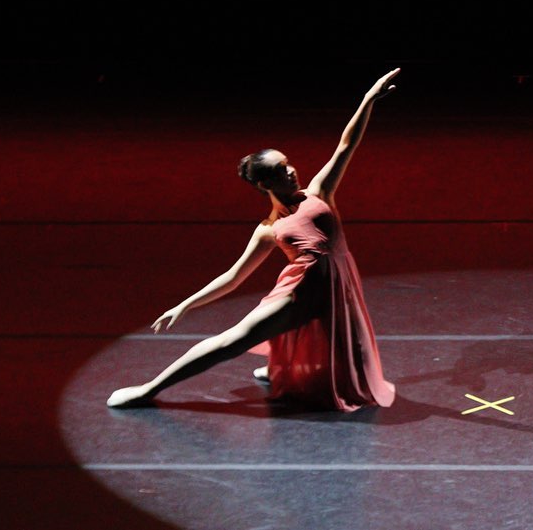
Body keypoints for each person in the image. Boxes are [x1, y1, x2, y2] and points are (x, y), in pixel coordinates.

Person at [107, 70, 400, 410]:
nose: (290, 172)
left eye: (287, 164)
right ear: (264, 185)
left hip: (338, 288)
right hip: (299, 294)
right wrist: (186, 305)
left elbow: (346, 145)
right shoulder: (268, 228)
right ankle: (149, 389)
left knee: (356, 357)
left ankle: (279, 366)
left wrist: (368, 100)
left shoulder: (319, 192)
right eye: (279, 171)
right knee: (230, 342)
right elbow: (233, 277)